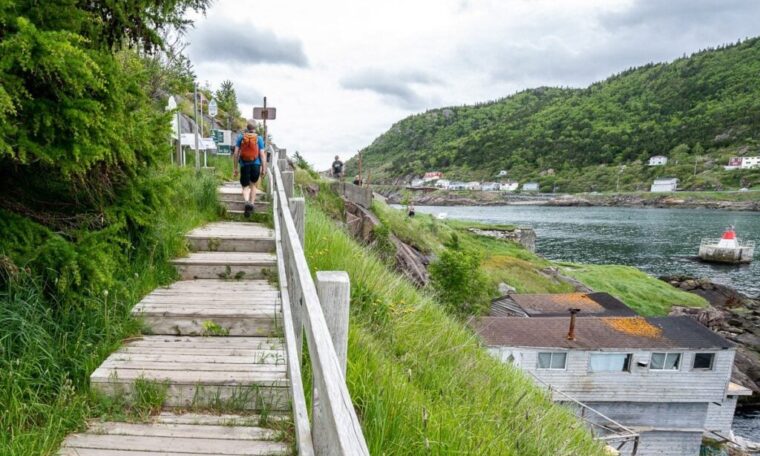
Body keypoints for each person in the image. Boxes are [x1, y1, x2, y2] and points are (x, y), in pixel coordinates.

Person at [232, 122, 267, 218]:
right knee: (253, 185)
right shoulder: (259, 139)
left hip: (244, 164)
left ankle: (246, 201)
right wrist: (264, 169)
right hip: (256, 165)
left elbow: (235, 153)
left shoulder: (241, 137)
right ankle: (251, 203)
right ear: (255, 128)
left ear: (247, 127)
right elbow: (262, 155)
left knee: (245, 186)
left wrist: (235, 168)